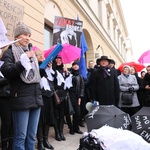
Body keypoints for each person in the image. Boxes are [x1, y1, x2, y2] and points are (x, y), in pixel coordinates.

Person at [1, 21, 43, 150]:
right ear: (17, 36)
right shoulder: (10, 52)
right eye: (24, 34)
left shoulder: (31, 51)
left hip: (36, 98)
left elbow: (33, 75)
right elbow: (7, 71)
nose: (27, 37)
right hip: (21, 99)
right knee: (20, 136)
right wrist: (22, 61)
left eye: (29, 35)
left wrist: (44, 68)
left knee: (31, 136)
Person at [35, 49, 54, 150]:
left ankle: (46, 140)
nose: (42, 56)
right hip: (39, 96)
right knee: (40, 120)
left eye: (42, 54)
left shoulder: (46, 66)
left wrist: (49, 68)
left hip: (48, 96)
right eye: (39, 55)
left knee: (47, 119)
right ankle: (40, 142)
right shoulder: (35, 66)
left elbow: (52, 80)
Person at [52, 56, 68, 141]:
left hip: (63, 94)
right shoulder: (52, 70)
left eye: (60, 59)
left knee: (62, 115)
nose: (58, 60)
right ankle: (57, 133)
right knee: (56, 115)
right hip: (55, 95)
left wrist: (67, 74)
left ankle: (61, 132)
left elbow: (67, 84)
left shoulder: (64, 70)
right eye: (56, 59)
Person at [0, 46, 13, 150]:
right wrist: (9, 77)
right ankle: (4, 145)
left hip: (14, 96)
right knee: (6, 122)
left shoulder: (12, 65)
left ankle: (11, 145)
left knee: (13, 122)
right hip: (3, 97)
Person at [66, 62, 84, 135]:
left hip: (76, 96)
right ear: (72, 66)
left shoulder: (80, 76)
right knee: (69, 112)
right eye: (74, 65)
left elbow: (82, 87)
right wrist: (67, 75)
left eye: (77, 65)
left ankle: (76, 127)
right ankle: (71, 128)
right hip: (69, 95)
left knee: (77, 113)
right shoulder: (69, 74)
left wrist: (80, 96)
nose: (76, 66)